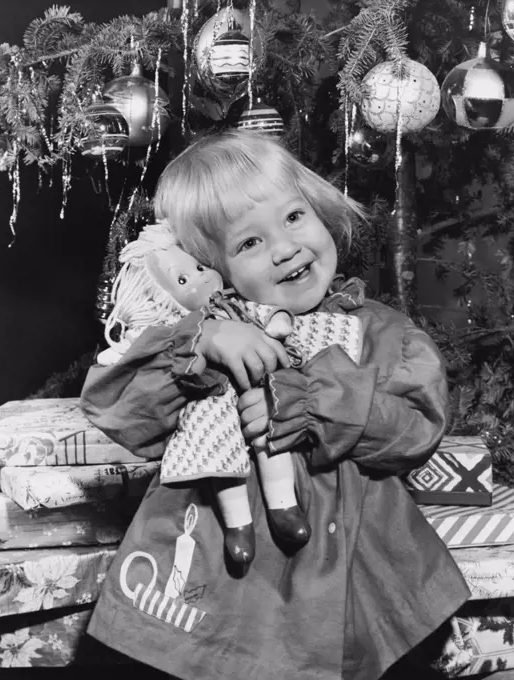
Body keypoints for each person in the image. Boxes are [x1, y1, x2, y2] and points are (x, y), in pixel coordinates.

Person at [80, 129, 471, 680]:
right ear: (213, 268)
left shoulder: (381, 331)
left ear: (319, 209)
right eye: (248, 243)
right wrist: (200, 341)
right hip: (227, 581)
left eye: (292, 218)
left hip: (361, 574)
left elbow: (415, 430)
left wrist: (310, 399)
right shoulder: (217, 332)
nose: (285, 248)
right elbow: (115, 406)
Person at [98, 221, 363, 565]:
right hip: (210, 407)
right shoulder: (175, 334)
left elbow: (267, 317)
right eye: (181, 280)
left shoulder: (236, 305)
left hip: (261, 388)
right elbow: (121, 378)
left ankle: (285, 507)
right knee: (218, 457)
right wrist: (197, 337)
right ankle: (239, 526)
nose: (199, 278)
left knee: (271, 432)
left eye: (199, 267)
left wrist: (277, 321)